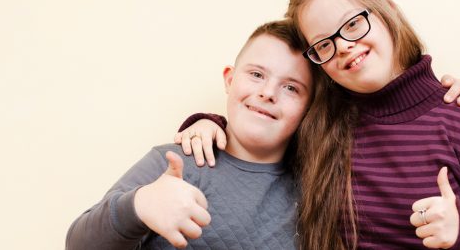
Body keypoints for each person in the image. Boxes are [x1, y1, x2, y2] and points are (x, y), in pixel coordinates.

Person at [175, 0, 460, 249]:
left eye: (353, 24)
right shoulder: (321, 124)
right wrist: (208, 124)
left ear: (389, 11)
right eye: (324, 44)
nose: (344, 45)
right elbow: (261, 132)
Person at [66, 20, 313, 249]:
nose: (268, 92)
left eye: (291, 88)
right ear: (229, 80)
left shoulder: (313, 188)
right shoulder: (175, 163)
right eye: (257, 74)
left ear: (310, 107)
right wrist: (138, 205)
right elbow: (78, 245)